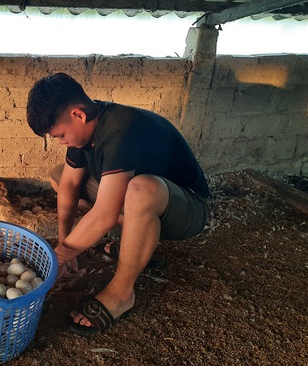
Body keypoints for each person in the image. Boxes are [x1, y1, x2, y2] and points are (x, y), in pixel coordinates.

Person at [26, 72, 210, 336]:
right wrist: (66, 244)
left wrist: (58, 257)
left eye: (60, 135)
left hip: (189, 207)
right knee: (61, 177)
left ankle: (122, 294)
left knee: (141, 190)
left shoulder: (123, 130)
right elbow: (68, 185)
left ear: (78, 115)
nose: (60, 142)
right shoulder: (87, 122)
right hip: (154, 198)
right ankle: (135, 240)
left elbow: (105, 214)